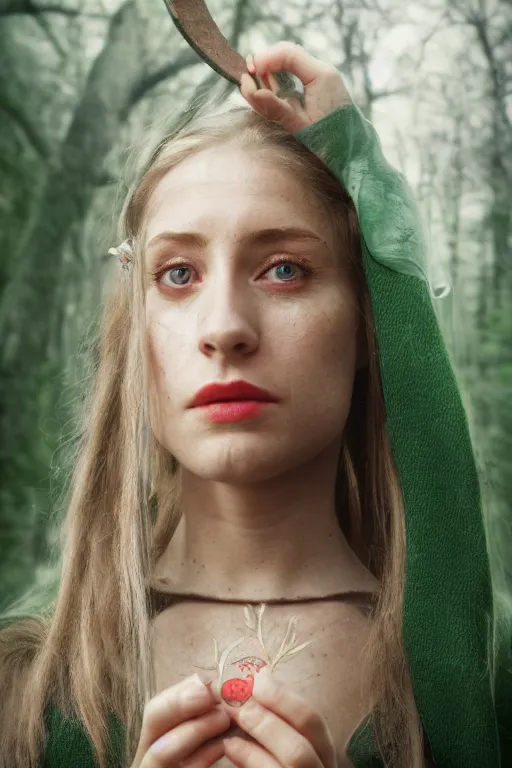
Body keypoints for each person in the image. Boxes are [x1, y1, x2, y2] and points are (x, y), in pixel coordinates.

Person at [0, 42, 510, 768]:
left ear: (372, 324)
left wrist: (366, 179)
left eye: (283, 270)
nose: (224, 329)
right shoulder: (24, 685)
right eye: (178, 273)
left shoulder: (485, 679)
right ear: (133, 331)